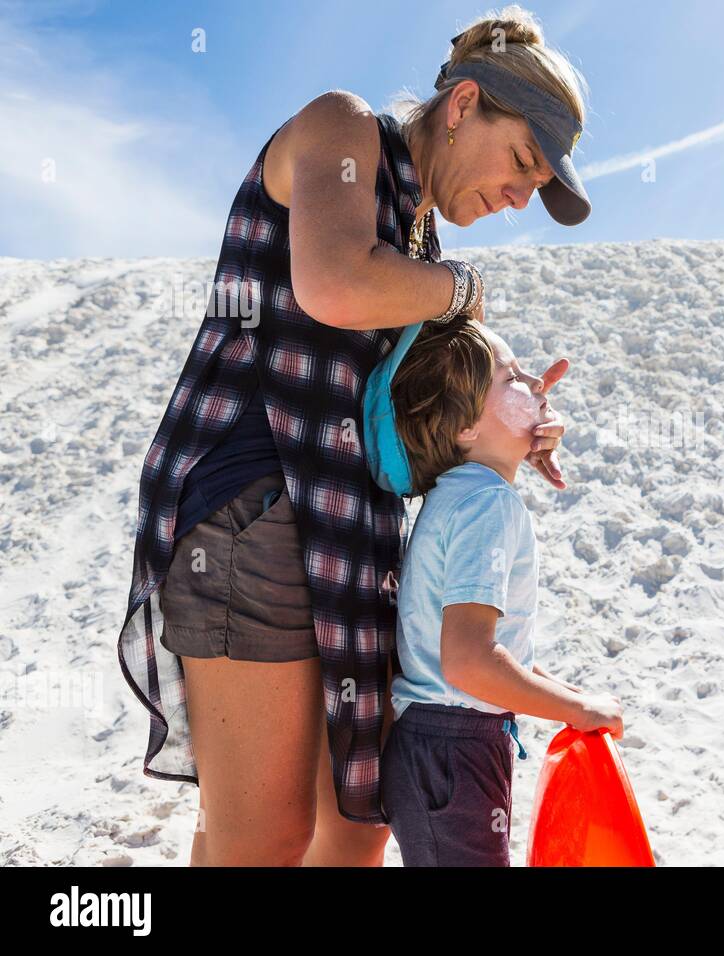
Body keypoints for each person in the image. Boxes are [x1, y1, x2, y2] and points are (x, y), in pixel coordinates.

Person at [115, 6, 590, 865]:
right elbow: (334, 283)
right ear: (463, 103)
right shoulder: (345, 129)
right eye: (523, 160)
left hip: (352, 531)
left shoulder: (425, 235)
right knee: (266, 837)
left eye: (540, 184)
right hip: (252, 511)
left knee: (358, 820)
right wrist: (461, 289)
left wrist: (520, 421)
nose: (523, 195)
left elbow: (436, 407)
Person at [365, 317, 623, 866]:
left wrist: (568, 695)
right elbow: (468, 662)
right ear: (465, 430)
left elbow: (487, 652)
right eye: (510, 380)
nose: (532, 387)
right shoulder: (486, 504)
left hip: (443, 739)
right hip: (454, 744)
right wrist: (575, 709)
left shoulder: (455, 495)